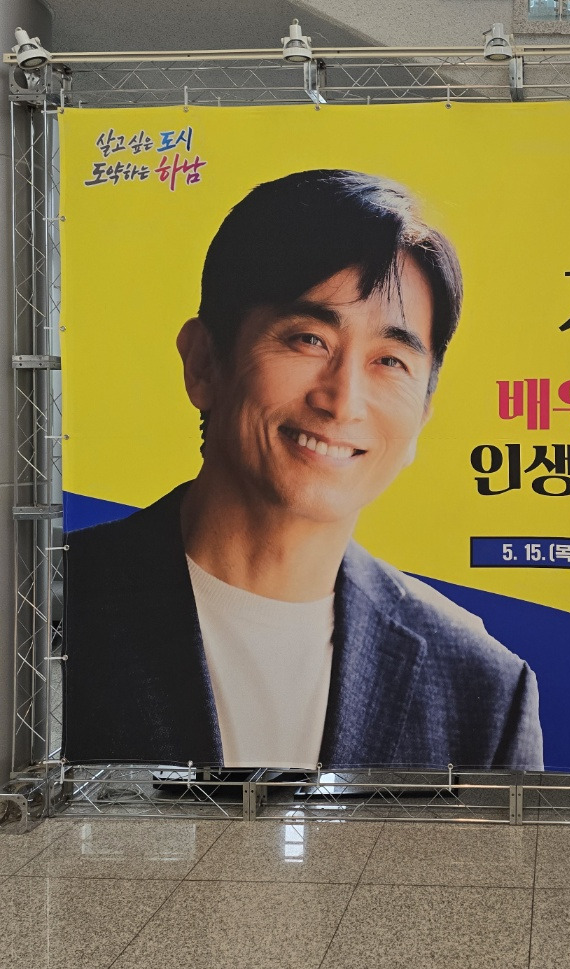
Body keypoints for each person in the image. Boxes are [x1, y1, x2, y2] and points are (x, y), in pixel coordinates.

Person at [63, 169, 543, 771]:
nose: (342, 401)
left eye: (390, 361)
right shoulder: (36, 614)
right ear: (205, 363)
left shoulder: (483, 693)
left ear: (423, 415)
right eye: (309, 339)